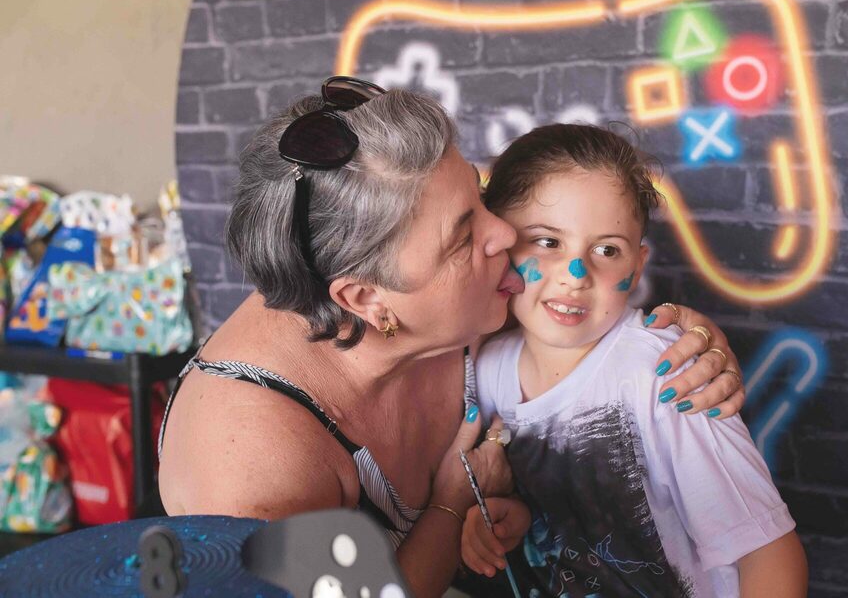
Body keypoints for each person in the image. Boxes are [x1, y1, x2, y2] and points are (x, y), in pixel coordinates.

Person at [158, 77, 749, 598]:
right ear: (365, 299)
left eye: (478, 193)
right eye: (464, 236)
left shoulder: (465, 288)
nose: (505, 234)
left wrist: (688, 335)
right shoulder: (252, 464)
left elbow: (586, 304)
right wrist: (451, 503)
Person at [462, 124, 807, 597]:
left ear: (637, 265)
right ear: (499, 238)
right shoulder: (489, 369)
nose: (576, 275)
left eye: (607, 250)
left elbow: (769, 553)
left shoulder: (664, 373)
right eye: (548, 241)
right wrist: (517, 518)